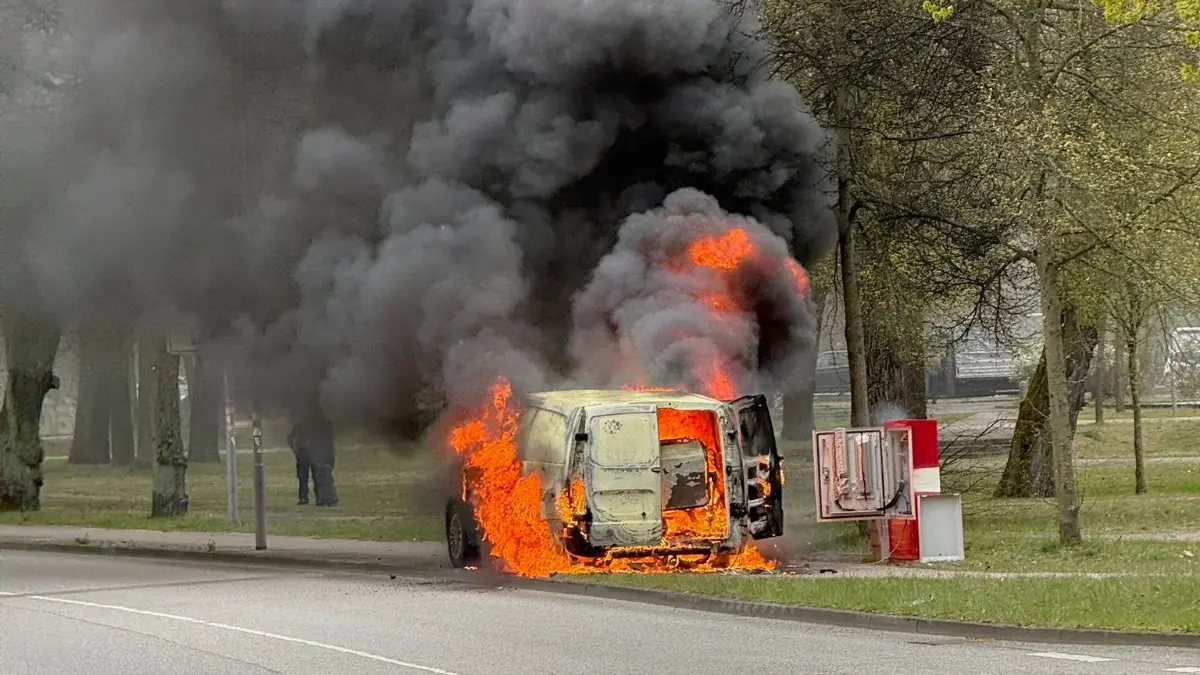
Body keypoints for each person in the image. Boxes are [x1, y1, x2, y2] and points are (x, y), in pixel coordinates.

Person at [287, 403, 339, 507]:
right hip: (309, 454)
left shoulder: (320, 425)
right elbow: (291, 438)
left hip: (317, 454)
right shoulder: (310, 425)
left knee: (320, 476)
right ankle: (320, 498)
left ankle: (323, 498)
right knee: (318, 477)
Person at [287, 419, 317, 506]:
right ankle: (314, 497)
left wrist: (295, 450)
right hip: (307, 453)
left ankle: (304, 498)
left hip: (305, 453)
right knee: (308, 477)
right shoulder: (311, 425)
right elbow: (290, 438)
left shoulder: (300, 425)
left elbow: (290, 438)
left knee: (305, 477)